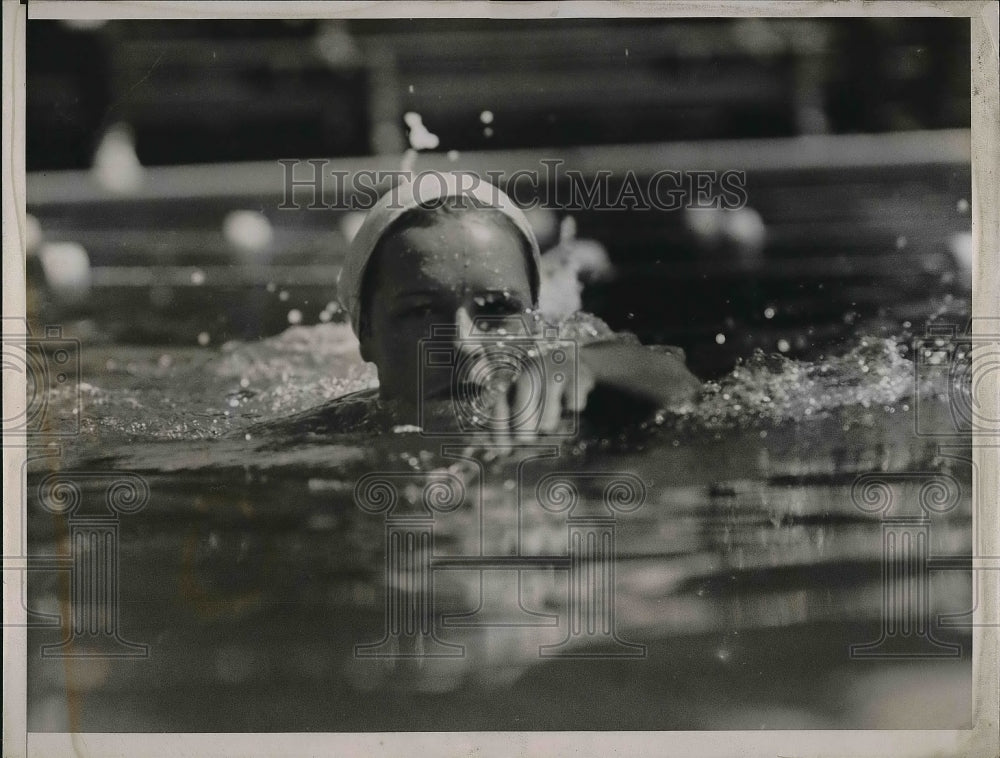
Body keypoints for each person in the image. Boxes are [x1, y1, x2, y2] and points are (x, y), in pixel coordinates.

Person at [263, 173, 700, 441]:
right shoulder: (320, 439)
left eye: (496, 310)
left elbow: (675, 380)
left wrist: (587, 364)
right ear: (365, 333)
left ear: (535, 322)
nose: (462, 343)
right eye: (420, 311)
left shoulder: (575, 395)